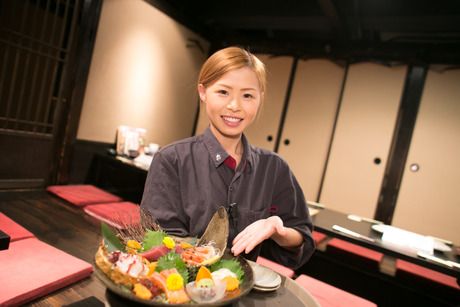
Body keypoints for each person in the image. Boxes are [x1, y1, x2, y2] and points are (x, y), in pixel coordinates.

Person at [140, 46, 314, 269]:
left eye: (248, 95)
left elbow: (302, 238)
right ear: (203, 92)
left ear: (260, 98)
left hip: (242, 293)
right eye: (223, 92)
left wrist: (276, 228)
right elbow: (158, 242)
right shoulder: (172, 159)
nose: (235, 106)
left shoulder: (275, 168)